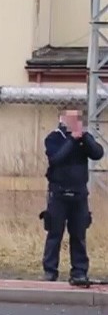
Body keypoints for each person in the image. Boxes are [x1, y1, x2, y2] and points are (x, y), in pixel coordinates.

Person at [40, 109, 104, 284]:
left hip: (79, 194)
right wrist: (72, 139)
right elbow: (56, 158)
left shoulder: (85, 138)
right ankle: (50, 271)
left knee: (78, 234)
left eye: (78, 119)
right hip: (59, 193)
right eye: (71, 119)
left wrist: (84, 138)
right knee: (54, 233)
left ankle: (79, 271)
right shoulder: (54, 138)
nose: (75, 122)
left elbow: (98, 153)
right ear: (62, 120)